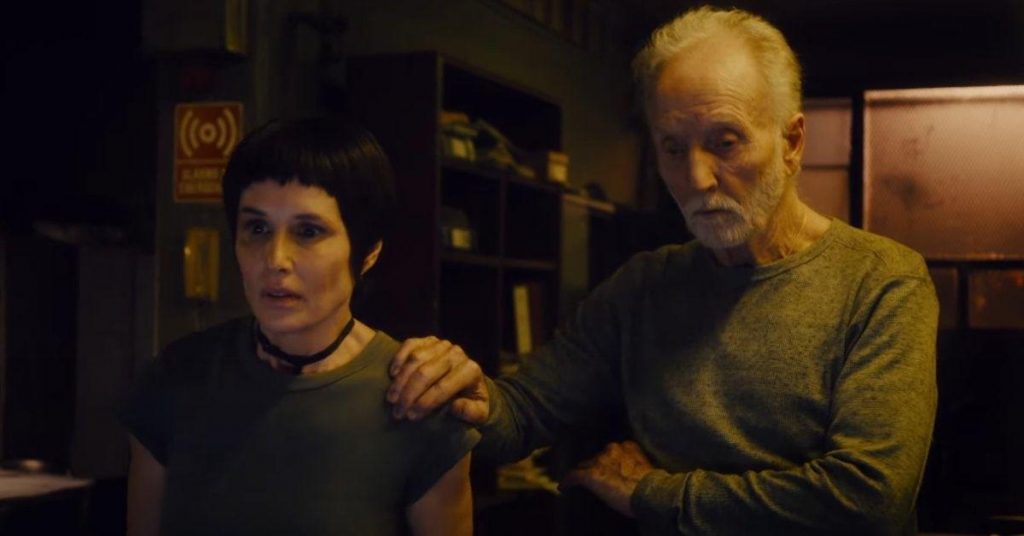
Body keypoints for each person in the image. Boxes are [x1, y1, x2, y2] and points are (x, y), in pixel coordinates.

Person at [386, 6, 938, 535]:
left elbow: (869, 500)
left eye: (725, 142)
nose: (696, 178)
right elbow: (523, 413)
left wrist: (655, 494)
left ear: (791, 143)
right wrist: (464, 392)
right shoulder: (644, 286)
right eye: (673, 148)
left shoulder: (881, 281)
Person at [119, 117, 478, 536]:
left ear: (368, 252)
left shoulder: (417, 397)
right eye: (257, 228)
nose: (276, 259)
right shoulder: (177, 378)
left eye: (308, 231)